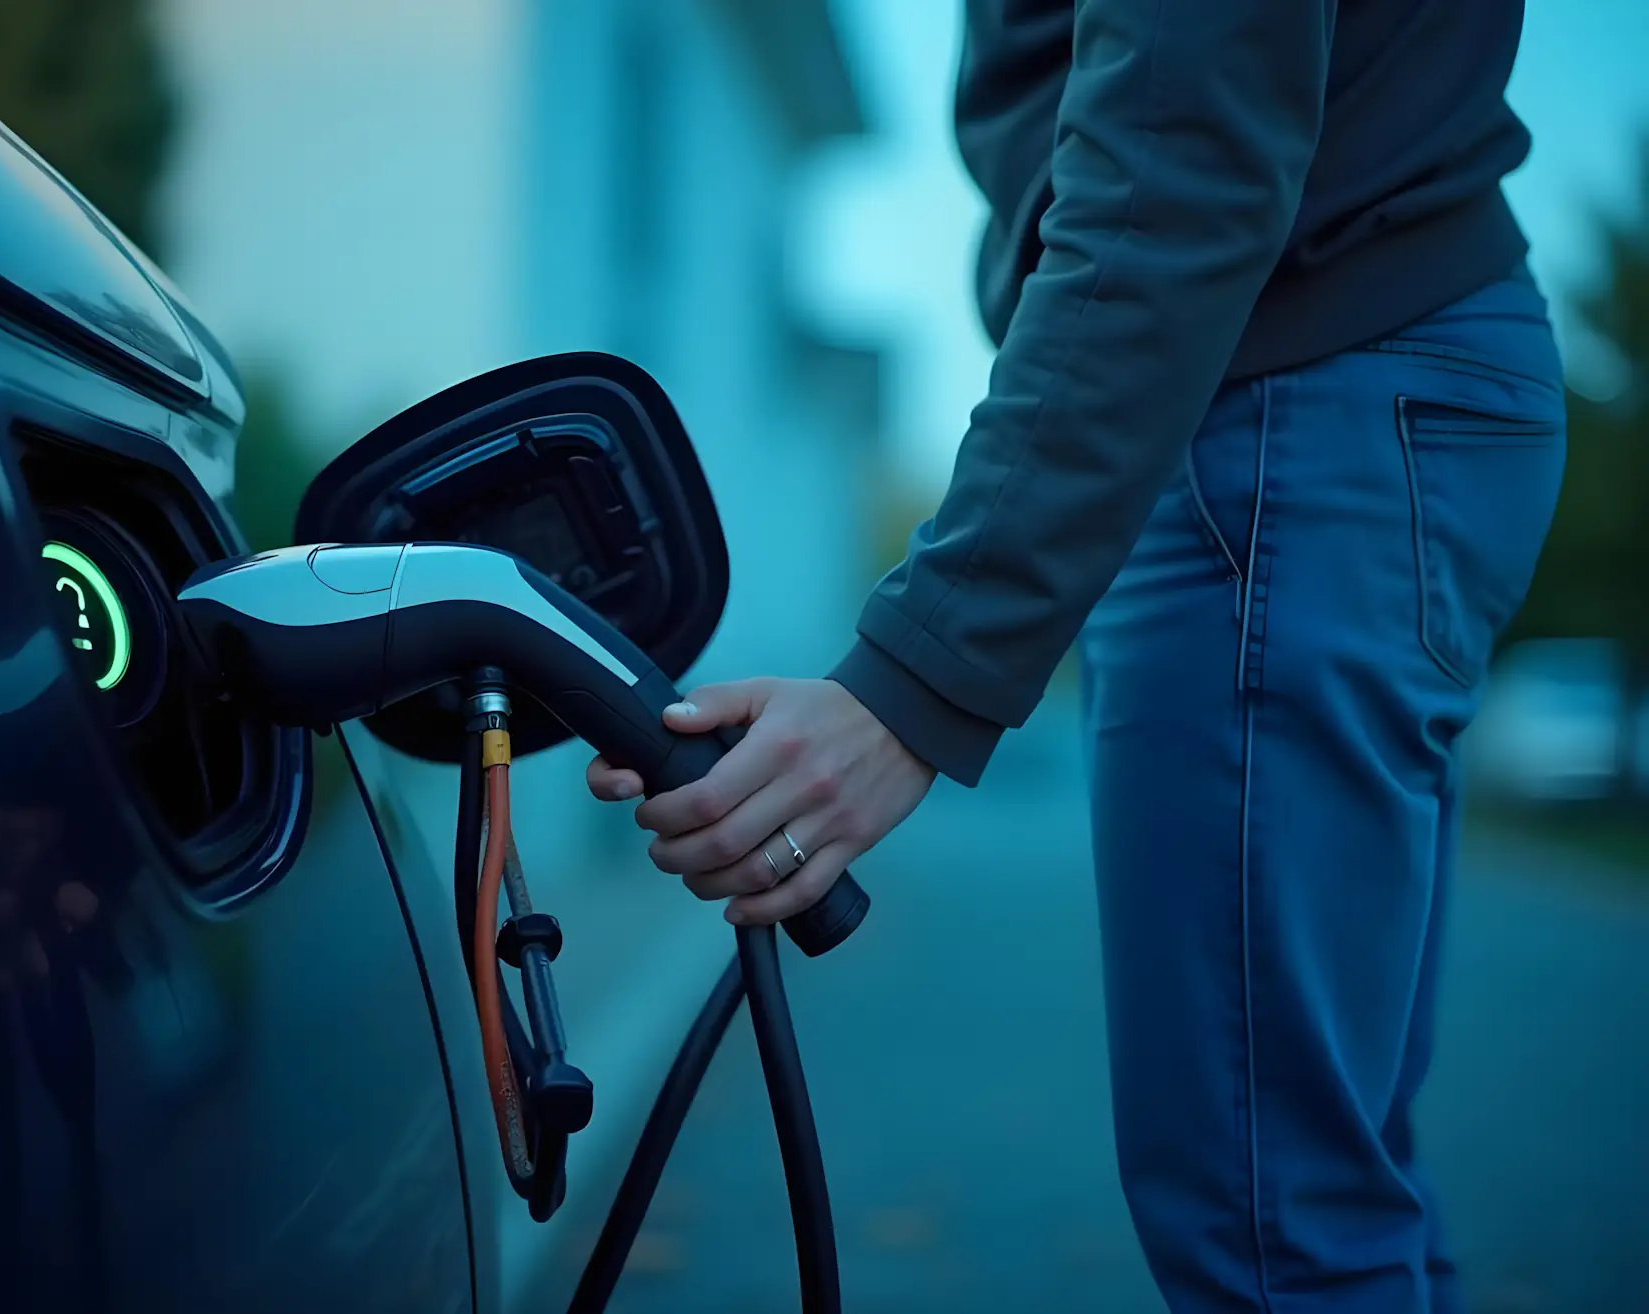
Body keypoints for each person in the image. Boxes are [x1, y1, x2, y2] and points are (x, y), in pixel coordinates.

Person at [584, 1, 1565, 1310]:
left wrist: (911, 682)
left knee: (1279, 1224)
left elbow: (1180, 159)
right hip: (1360, 385)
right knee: (1325, 1186)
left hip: (1291, 394)